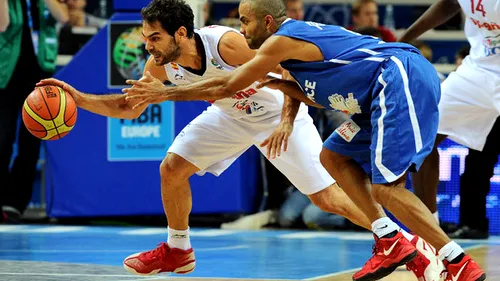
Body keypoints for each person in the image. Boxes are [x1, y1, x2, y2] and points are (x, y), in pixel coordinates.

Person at [38, 1, 442, 280]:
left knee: (328, 200)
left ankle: (407, 244)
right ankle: (178, 250)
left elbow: (290, 73)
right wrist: (77, 97)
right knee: (172, 168)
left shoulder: (225, 43)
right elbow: (130, 107)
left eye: (154, 37)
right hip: (230, 117)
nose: (148, 45)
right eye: (145, 38)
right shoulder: (159, 64)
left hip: (274, 115)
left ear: (181, 32)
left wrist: (289, 118)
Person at [399, 0, 500, 238]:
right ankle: (429, 230)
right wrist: (404, 39)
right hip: (478, 70)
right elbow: (450, 4)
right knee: (424, 135)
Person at [0, 0, 68, 223]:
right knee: (3, 139)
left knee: (32, 141)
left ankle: (15, 203)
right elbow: (3, 24)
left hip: (37, 73)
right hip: (6, 74)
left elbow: (64, 17)